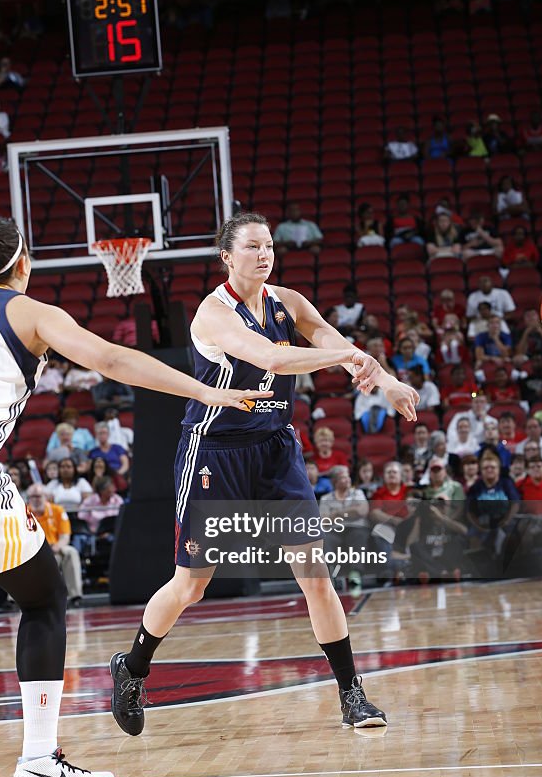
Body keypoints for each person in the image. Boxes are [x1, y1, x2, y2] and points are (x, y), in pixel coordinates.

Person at [0, 214, 271, 777]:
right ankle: (38, 761)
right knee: (44, 597)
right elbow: (110, 360)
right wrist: (207, 389)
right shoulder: (30, 312)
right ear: (23, 262)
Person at [109, 212, 419, 737]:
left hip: (276, 448)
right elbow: (271, 356)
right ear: (228, 257)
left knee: (316, 577)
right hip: (215, 452)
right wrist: (344, 357)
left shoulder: (288, 302)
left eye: (269, 245)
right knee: (191, 586)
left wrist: (383, 379)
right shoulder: (213, 313)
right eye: (252, 247)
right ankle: (133, 667)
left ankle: (352, 694)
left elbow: (332, 338)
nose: (264, 253)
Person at [27, 484, 84, 608]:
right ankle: (14, 600)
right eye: (32, 497)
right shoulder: (24, 513)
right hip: (33, 550)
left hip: (55, 547)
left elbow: (65, 536)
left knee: (71, 552)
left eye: (39, 496)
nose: (36, 500)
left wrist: (56, 547)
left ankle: (75, 596)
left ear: (46, 497)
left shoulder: (58, 510)